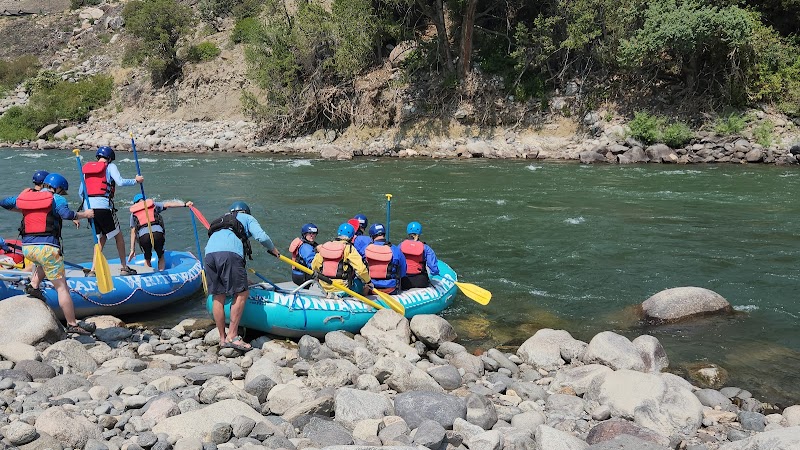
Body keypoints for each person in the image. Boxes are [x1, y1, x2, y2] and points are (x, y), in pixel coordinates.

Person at [0, 173, 96, 334]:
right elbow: (66, 214)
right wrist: (85, 215)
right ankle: (72, 324)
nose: (61, 194)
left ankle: (34, 285)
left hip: (28, 249)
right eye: (61, 191)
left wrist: (23, 207)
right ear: (57, 188)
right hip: (48, 248)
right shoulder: (57, 199)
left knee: (43, 262)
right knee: (62, 287)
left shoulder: (28, 198)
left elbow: (4, 202)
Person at [205, 201, 280, 352]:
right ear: (246, 211)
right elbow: (261, 237)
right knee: (242, 293)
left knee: (218, 295)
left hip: (209, 255)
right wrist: (273, 249)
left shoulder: (222, 221)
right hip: (229, 254)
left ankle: (222, 338)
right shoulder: (247, 218)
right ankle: (233, 336)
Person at [78, 146, 143, 276]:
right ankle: (124, 267)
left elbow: (81, 192)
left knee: (100, 239)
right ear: (110, 158)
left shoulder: (86, 170)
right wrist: (136, 181)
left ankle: (93, 270)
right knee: (118, 237)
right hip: (103, 207)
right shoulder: (110, 167)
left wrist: (88, 206)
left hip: (88, 209)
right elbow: (120, 182)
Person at [128, 194, 193, 271]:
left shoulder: (133, 213)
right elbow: (168, 204)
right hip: (157, 233)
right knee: (161, 256)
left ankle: (150, 276)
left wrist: (132, 250)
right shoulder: (153, 205)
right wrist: (185, 204)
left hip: (144, 237)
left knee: (147, 258)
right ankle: (161, 272)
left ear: (135, 203)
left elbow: (133, 231)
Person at [311, 222, 373, 296]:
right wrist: (368, 282)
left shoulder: (325, 246)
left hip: (323, 287)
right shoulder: (349, 248)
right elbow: (361, 270)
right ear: (352, 237)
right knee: (361, 283)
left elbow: (314, 266)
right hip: (341, 289)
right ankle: (363, 302)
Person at [364, 223, 406, 294]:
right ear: (384, 234)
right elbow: (403, 273)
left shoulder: (366, 250)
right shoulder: (395, 250)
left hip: (372, 289)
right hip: (390, 290)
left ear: (371, 237)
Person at [400, 221, 440, 289]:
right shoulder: (426, 248)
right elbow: (433, 268)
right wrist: (436, 273)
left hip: (404, 281)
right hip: (421, 281)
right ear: (420, 233)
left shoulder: (400, 246)